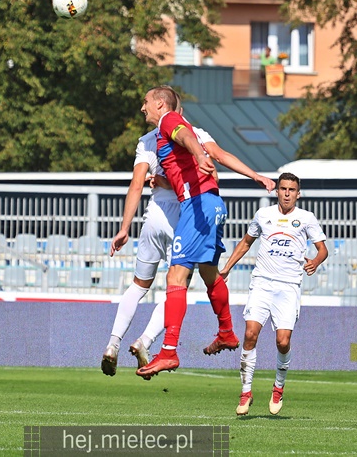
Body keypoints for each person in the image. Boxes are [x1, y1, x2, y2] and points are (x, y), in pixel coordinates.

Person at [135, 86, 276, 380]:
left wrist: (198, 155)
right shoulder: (194, 130)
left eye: (146, 102)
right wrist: (256, 176)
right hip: (212, 204)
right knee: (209, 273)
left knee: (175, 277)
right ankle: (226, 331)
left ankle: (169, 351)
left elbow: (188, 141)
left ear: (160, 104)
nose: (143, 108)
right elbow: (221, 155)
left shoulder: (169, 120)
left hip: (196, 205)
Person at [101, 97, 217, 376]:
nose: (143, 108)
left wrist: (124, 228)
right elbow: (211, 170)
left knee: (139, 285)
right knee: (177, 287)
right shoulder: (198, 135)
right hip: (184, 216)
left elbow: (136, 185)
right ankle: (145, 341)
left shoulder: (147, 140)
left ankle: (112, 345)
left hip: (154, 216)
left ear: (164, 106)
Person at [219, 172, 328, 416]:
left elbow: (323, 249)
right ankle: (245, 392)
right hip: (262, 282)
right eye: (283, 189)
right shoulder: (263, 215)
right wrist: (227, 267)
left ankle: (278, 387)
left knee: (283, 341)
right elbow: (246, 242)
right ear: (277, 191)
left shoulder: (306, 219)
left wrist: (316, 262)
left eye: (292, 190)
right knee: (250, 334)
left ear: (298, 194)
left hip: (288, 286)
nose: (287, 193)